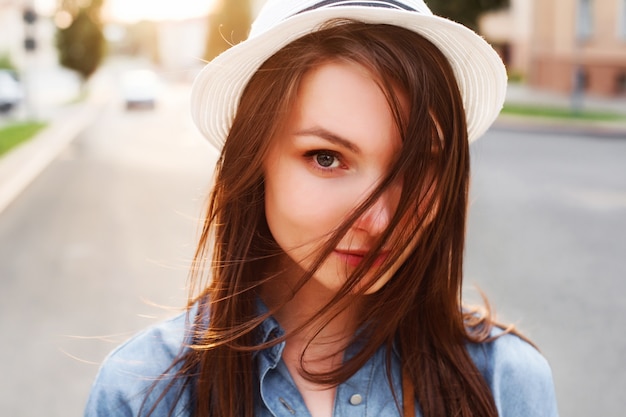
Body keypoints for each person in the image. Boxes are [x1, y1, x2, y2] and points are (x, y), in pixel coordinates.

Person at [85, 1, 559, 416]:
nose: (380, 221)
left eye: (417, 167)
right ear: (255, 160)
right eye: (326, 158)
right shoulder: (143, 393)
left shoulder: (506, 384)